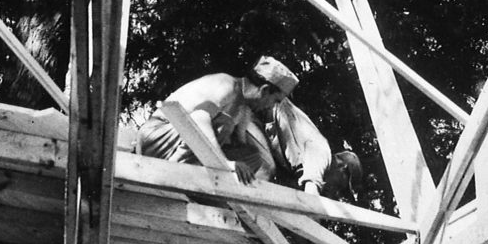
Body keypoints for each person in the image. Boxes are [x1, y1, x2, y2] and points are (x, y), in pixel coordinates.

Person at [136, 56, 299, 183]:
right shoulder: (226, 84)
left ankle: (203, 187)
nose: (271, 107)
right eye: (275, 100)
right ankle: (174, 169)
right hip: (159, 138)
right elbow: (198, 119)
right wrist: (225, 164)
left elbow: (239, 149)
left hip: (186, 145)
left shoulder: (243, 110)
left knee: (252, 156)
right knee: (224, 124)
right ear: (264, 90)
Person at [264, 98, 363, 201]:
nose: (337, 191)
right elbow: (311, 196)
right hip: (265, 103)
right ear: (343, 167)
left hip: (264, 114)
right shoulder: (322, 153)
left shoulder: (306, 164)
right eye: (341, 187)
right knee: (263, 172)